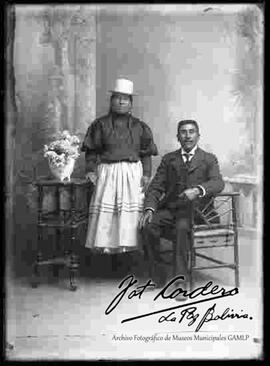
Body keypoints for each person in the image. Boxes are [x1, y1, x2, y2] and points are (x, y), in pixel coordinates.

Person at [139, 119, 224, 294]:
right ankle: (158, 275)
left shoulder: (208, 159)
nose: (187, 136)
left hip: (198, 214)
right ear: (178, 137)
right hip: (171, 211)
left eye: (191, 132)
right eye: (183, 132)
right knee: (147, 225)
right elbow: (156, 187)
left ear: (198, 136)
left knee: (181, 227)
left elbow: (218, 183)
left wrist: (198, 190)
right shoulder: (169, 159)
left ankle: (180, 281)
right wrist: (149, 208)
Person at [81, 78, 158, 268]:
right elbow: (91, 151)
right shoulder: (100, 125)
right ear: (112, 101)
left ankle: (130, 259)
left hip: (132, 174)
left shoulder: (140, 126)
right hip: (108, 173)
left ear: (131, 103)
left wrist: (146, 174)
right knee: (109, 217)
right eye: (118, 98)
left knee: (130, 217)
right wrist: (91, 170)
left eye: (126, 99)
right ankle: (109, 261)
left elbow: (146, 153)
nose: (122, 102)